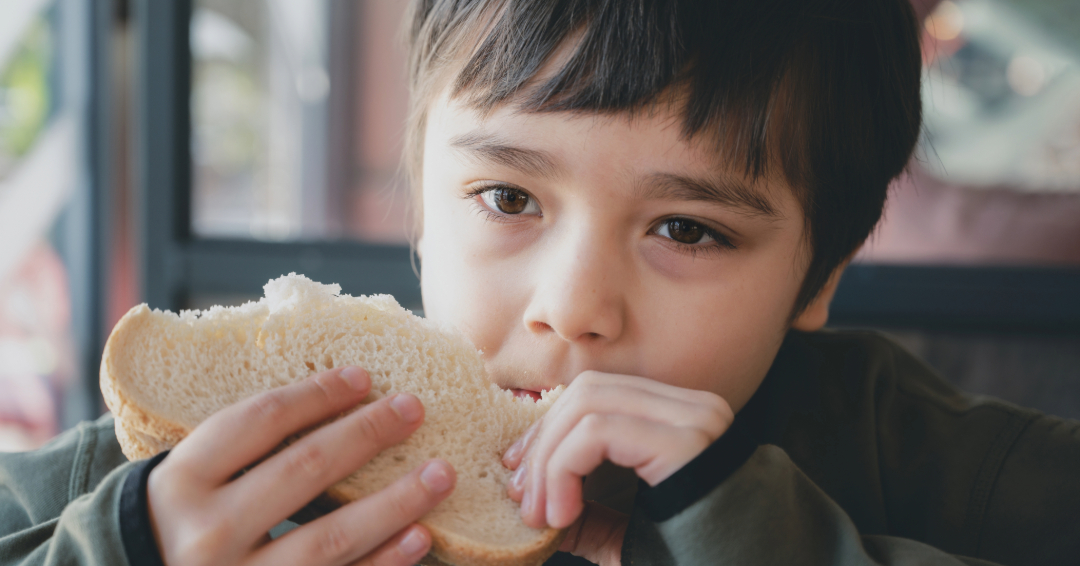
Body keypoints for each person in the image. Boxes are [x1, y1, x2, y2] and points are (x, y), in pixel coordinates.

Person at [2, 0, 1078, 564]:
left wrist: (738, 531)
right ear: (423, 205)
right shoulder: (200, 466)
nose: (573, 307)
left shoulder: (900, 448)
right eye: (508, 197)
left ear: (818, 276)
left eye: (688, 228)